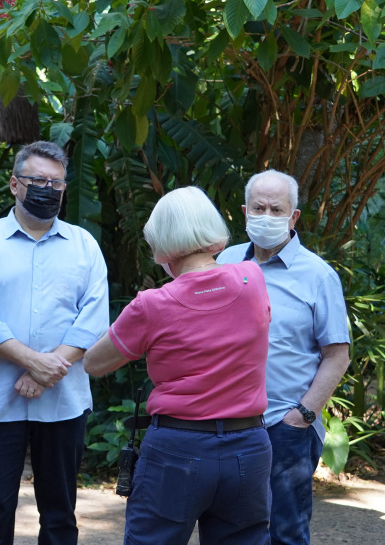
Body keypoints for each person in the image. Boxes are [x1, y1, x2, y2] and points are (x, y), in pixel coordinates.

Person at [84, 186, 272, 544]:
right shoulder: (252, 278)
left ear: (161, 243)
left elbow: (95, 363)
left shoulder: (151, 305)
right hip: (249, 445)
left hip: (178, 448)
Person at [0, 141, 109, 545]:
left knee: (59, 512)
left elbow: (92, 319)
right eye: (37, 180)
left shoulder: (84, 246)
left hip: (63, 400)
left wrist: (44, 371)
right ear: (14, 184)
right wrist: (35, 362)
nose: (47, 188)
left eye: (56, 183)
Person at [217, 170, 351, 545]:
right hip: (225, 421)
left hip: (284, 424)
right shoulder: (225, 262)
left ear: (294, 217)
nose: (267, 215)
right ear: (244, 212)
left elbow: (337, 356)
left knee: (286, 532)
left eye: (278, 209)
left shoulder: (318, 276)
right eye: (259, 207)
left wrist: (303, 415)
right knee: (229, 529)